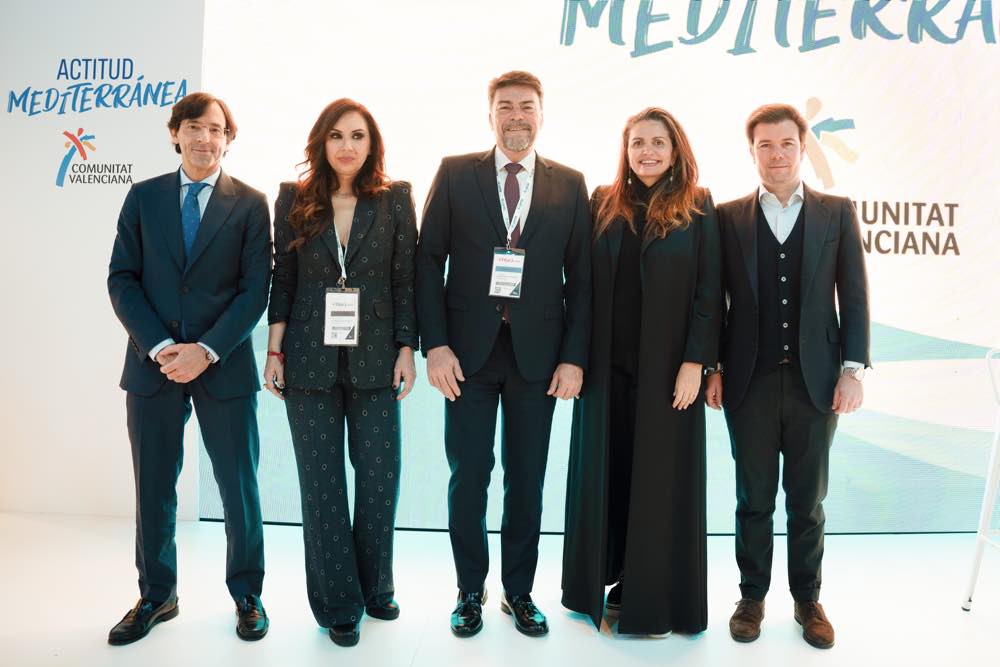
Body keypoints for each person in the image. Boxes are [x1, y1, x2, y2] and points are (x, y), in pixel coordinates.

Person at [416, 70, 591, 638]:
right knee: (469, 476)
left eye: (527, 107)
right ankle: (470, 589)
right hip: (466, 356)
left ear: (542, 114)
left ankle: (519, 592)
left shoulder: (570, 184)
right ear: (489, 114)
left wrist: (574, 357)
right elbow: (427, 261)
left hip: (538, 358)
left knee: (527, 479)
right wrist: (435, 346)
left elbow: (582, 279)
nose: (517, 116)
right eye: (506, 106)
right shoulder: (455, 173)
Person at [106, 92, 271, 645]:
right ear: (175, 133)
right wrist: (159, 346)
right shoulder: (143, 197)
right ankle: (157, 595)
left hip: (223, 365)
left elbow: (254, 291)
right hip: (152, 366)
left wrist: (206, 349)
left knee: (238, 487)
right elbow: (122, 279)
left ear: (229, 139)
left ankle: (248, 595)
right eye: (194, 127)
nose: (205, 138)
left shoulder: (251, 204)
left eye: (216, 129)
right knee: (153, 486)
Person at [705, 103, 870, 650]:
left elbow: (854, 295)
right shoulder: (727, 217)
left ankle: (807, 600)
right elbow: (714, 302)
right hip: (747, 382)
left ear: (803, 148)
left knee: (807, 501)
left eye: (787, 144)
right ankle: (751, 597)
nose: (777, 155)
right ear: (751, 151)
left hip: (816, 383)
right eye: (765, 145)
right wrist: (714, 368)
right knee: (753, 499)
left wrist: (852, 371)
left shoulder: (836, 212)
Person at [264, 98, 418, 648]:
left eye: (357, 135)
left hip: (377, 357)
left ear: (372, 144)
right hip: (307, 358)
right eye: (336, 136)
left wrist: (407, 349)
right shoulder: (294, 198)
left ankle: (376, 587)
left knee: (379, 477)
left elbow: (404, 279)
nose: (347, 146)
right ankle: (339, 604)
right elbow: (283, 279)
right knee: (322, 483)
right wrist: (274, 351)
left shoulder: (395, 198)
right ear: (321, 143)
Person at [561, 107, 721, 635]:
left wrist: (696, 363)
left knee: (658, 481)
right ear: (625, 150)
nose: (647, 152)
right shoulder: (602, 202)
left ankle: (649, 594)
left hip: (668, 374)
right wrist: (575, 359)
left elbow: (709, 292)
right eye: (637, 143)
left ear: (676, 151)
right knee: (609, 474)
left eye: (657, 142)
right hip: (606, 373)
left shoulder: (698, 205)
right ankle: (599, 581)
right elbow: (582, 288)